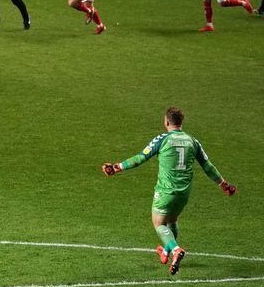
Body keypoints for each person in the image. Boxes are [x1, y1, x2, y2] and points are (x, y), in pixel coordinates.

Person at [101, 107, 236, 275]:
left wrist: (116, 167)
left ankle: (176, 250)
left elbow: (140, 158)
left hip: (166, 191)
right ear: (181, 122)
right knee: (172, 219)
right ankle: (166, 251)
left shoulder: (162, 139)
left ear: (166, 122)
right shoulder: (193, 141)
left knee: (158, 223)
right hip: (184, 193)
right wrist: (223, 184)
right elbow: (207, 166)